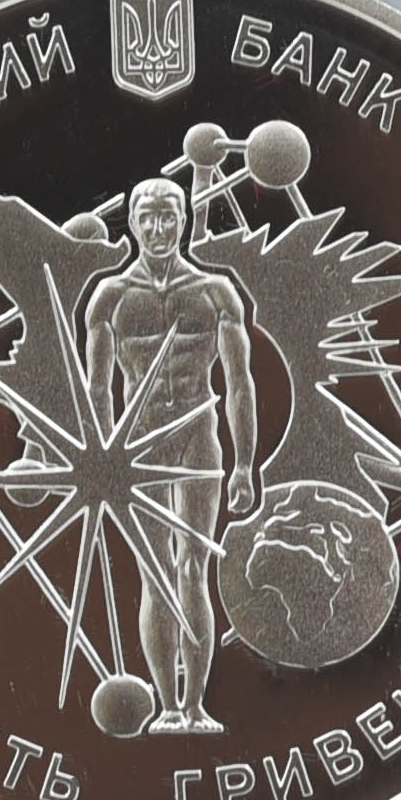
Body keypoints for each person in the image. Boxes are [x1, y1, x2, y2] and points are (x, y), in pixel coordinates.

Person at [84, 177, 257, 732]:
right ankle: (166, 706)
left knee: (192, 569)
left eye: (168, 216)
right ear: (133, 223)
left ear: (183, 221)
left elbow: (240, 383)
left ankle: (196, 706)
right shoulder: (109, 296)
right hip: (138, 445)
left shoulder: (216, 291)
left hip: (198, 436)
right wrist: (104, 459)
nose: (158, 228)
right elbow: (96, 389)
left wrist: (245, 463)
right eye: (147, 217)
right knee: (155, 574)